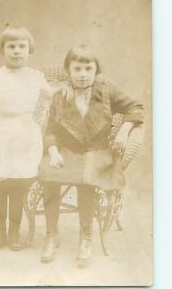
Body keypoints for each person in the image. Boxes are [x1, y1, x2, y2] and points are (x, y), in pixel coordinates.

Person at [39, 44, 144, 267]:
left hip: (97, 150)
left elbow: (135, 107)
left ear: (96, 71)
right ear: (67, 70)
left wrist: (124, 130)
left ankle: (85, 236)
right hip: (66, 149)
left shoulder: (106, 89)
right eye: (77, 69)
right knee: (48, 172)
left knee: (87, 178)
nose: (83, 75)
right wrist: (52, 150)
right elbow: (50, 129)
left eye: (88, 69)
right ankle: (52, 234)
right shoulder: (60, 94)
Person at [0, 27, 70, 251]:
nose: (17, 51)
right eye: (11, 46)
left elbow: (51, 94)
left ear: (29, 50)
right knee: (0, 187)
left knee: (18, 187)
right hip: (0, 135)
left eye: (22, 47)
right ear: (3, 50)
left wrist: (64, 87)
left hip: (25, 135)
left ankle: (14, 233)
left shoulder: (36, 77)